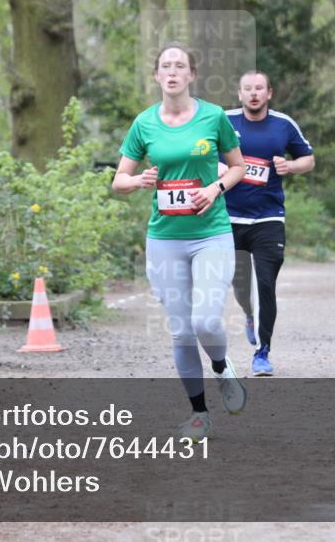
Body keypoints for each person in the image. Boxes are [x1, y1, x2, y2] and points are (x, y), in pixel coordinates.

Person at [112, 43, 248, 441]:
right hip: (165, 239)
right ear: (156, 76)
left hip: (211, 235)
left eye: (180, 66)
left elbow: (239, 166)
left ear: (191, 76)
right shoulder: (144, 124)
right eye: (165, 66)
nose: (172, 72)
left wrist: (216, 188)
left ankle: (222, 368)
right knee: (181, 331)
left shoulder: (213, 116)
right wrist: (139, 181)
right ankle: (198, 414)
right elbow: (119, 180)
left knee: (205, 320)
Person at [219, 71, 314, 376]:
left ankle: (263, 352)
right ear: (239, 93)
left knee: (265, 284)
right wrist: (217, 165)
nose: (254, 94)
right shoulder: (223, 120)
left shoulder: (284, 124)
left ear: (269, 93)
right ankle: (248, 314)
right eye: (248, 88)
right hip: (229, 217)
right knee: (241, 284)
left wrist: (291, 166)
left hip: (269, 218)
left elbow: (308, 159)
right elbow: (201, 151)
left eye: (259, 88)